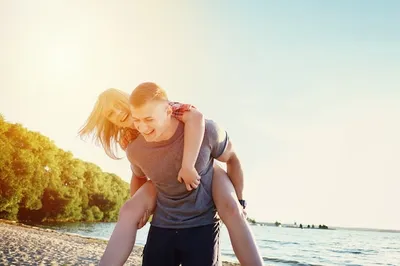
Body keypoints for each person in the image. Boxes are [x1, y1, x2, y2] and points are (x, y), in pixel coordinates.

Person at [79, 87, 263, 266]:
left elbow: (196, 118)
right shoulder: (129, 140)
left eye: (119, 105)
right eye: (111, 114)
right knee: (128, 210)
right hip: (162, 177)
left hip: (201, 165)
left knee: (232, 209)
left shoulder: (168, 111)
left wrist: (189, 166)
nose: (118, 113)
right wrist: (142, 210)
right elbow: (139, 174)